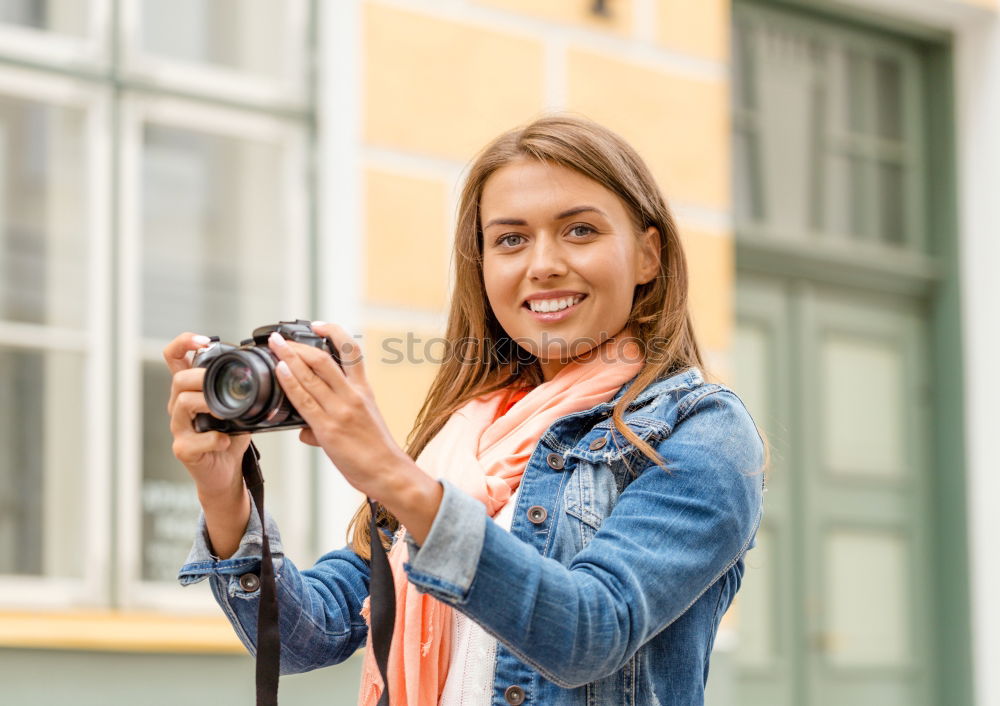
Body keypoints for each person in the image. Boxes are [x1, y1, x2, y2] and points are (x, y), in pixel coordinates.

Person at [166, 114, 766, 706]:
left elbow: (588, 632)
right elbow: (308, 636)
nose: (543, 264)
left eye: (580, 230)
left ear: (648, 256)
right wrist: (225, 496)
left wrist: (392, 475)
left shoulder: (701, 429)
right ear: (482, 267)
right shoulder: (467, 435)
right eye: (510, 239)